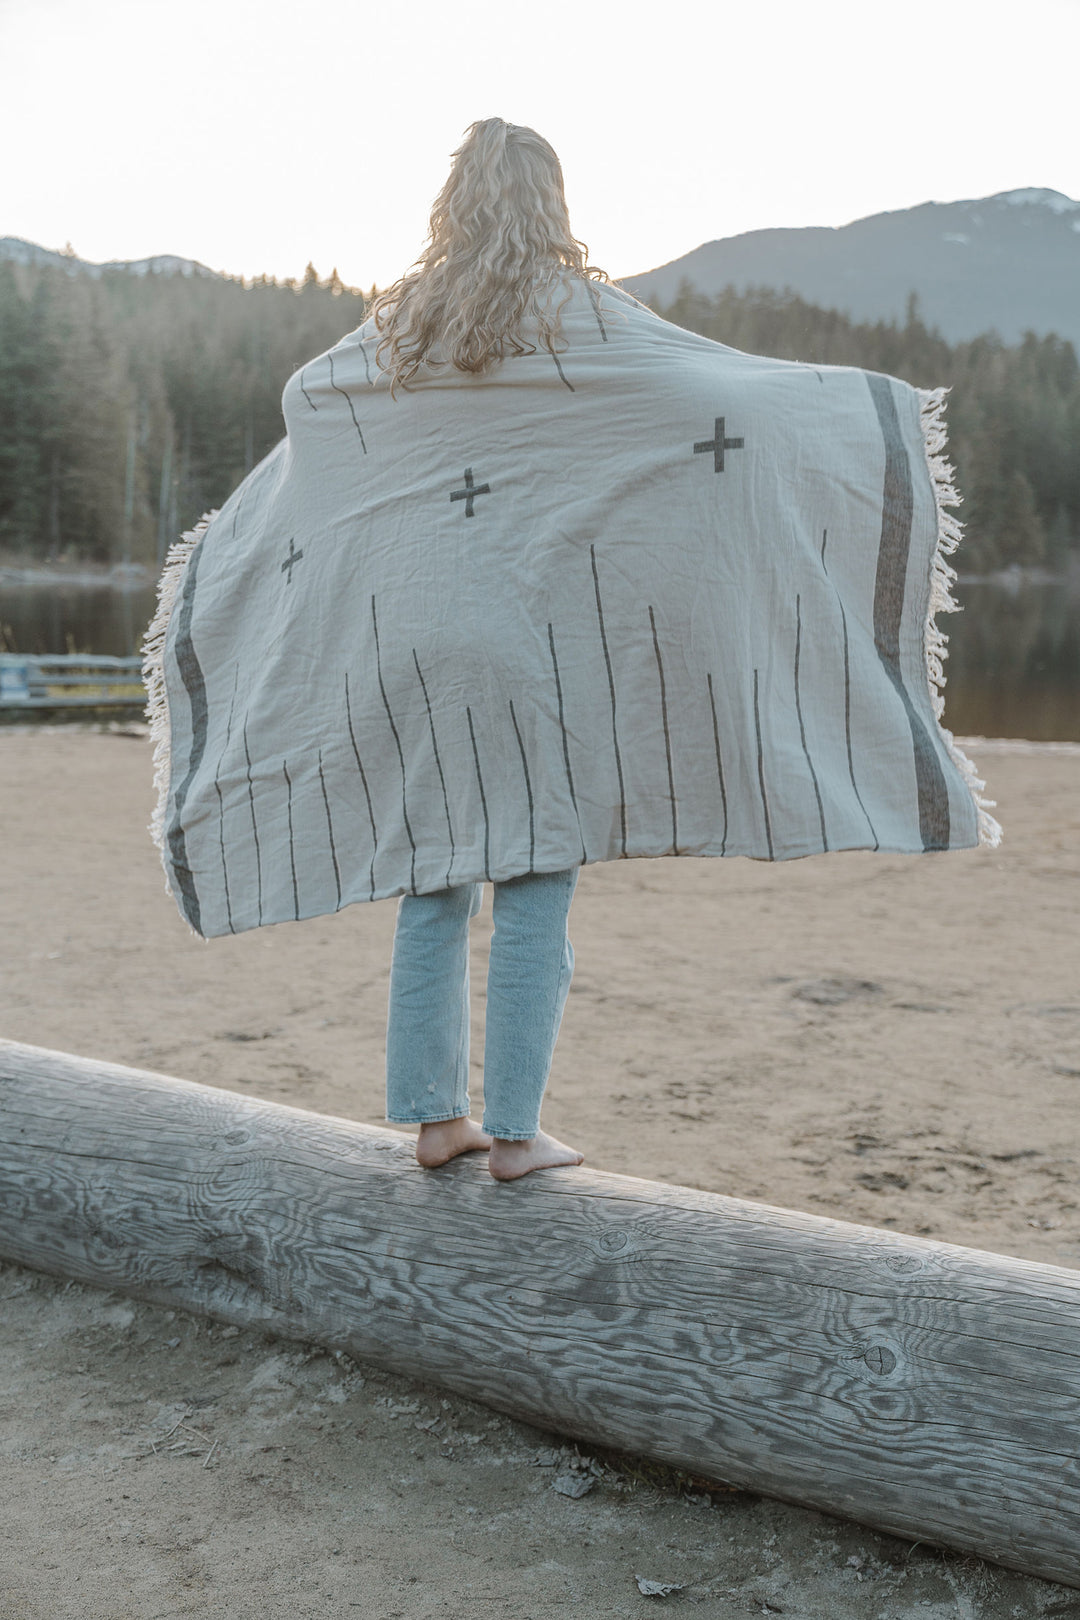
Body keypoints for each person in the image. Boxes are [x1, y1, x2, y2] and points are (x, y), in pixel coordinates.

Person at [370, 119, 599, 1180]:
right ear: (549, 200)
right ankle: (514, 1131)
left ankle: (433, 1120)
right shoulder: (583, 310)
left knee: (435, 873)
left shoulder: (402, 319)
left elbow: (315, 411)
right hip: (525, 623)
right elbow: (698, 394)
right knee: (537, 872)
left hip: (420, 622)